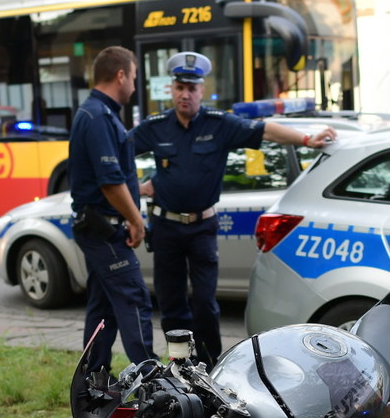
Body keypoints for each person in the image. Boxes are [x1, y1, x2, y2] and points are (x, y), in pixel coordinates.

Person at [132, 52, 336, 366]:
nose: (185, 93)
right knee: (172, 305)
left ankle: (212, 366)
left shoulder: (220, 124)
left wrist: (307, 139)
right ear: (171, 90)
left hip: (202, 228)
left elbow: (264, 129)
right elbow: (120, 151)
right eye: (180, 87)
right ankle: (179, 367)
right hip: (167, 228)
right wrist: (137, 186)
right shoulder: (156, 127)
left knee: (204, 304)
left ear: (201, 90)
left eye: (192, 87)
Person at [69, 46, 157, 374]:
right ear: (120, 75)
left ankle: (93, 384)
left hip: (98, 226)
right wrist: (137, 220)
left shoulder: (95, 114)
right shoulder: (98, 117)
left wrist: (139, 189)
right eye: (133, 77)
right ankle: (154, 382)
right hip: (103, 229)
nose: (134, 86)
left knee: (103, 308)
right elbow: (108, 183)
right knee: (134, 298)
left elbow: (107, 178)